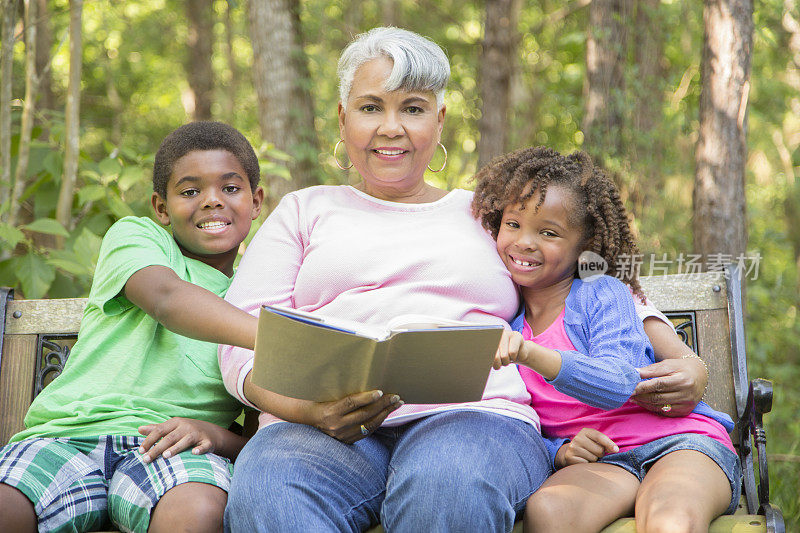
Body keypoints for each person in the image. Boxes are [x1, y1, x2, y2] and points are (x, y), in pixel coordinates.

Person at [219, 28, 709, 533]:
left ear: (439, 120)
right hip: (318, 426)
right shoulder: (305, 211)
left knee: (447, 485)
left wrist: (682, 355)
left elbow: (582, 281)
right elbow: (238, 339)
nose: (392, 128)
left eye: (412, 108)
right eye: (370, 108)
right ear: (343, 120)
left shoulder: (486, 212)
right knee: (270, 486)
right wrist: (305, 410)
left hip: (476, 418)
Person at [0, 121, 264, 533]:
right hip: (66, 437)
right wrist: (277, 340)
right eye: (190, 191)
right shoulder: (138, 237)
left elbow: (258, 436)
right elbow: (166, 298)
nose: (212, 201)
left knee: (198, 512)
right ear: (161, 207)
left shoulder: (257, 293)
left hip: (174, 448)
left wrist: (216, 434)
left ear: (256, 200)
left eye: (230, 188)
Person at [472, 146, 741, 532]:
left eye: (548, 232)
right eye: (513, 225)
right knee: (550, 510)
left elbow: (620, 380)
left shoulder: (602, 295)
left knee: (669, 518)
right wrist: (560, 451)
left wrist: (534, 355)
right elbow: (521, 419)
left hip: (678, 442)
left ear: (585, 247)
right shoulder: (508, 327)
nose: (524, 242)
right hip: (605, 460)